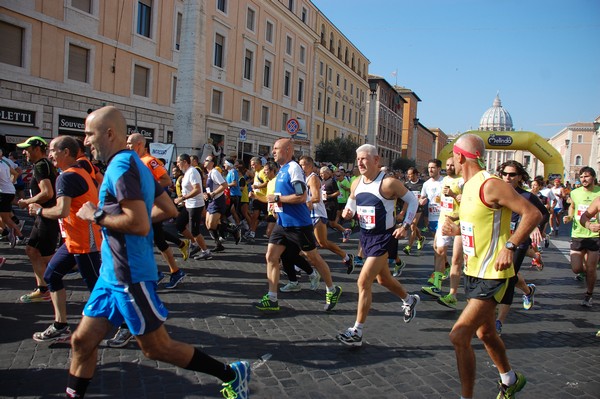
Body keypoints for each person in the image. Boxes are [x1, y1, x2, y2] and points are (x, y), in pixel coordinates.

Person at [66, 105, 250, 399]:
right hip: (110, 275)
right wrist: (124, 217)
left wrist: (98, 216)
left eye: (89, 134)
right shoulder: (135, 163)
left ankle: (231, 373)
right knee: (81, 343)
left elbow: (138, 224)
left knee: (156, 348)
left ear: (109, 133)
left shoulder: (122, 167)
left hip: (129, 275)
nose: (85, 141)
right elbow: (166, 209)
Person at [441, 134, 541, 399]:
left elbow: (533, 214)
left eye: (453, 154)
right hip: (473, 272)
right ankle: (510, 379)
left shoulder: (490, 185)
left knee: (459, 335)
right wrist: (455, 230)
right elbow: (476, 223)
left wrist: (510, 247)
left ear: (460, 156)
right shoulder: (468, 187)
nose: (450, 159)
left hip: (494, 275)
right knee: (485, 333)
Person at [336, 144, 420, 347]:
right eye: (357, 159)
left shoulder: (389, 183)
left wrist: (406, 225)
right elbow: (351, 204)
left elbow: (413, 201)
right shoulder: (356, 183)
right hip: (366, 237)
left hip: (384, 237)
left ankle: (357, 331)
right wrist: (347, 213)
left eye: (364, 158)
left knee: (363, 281)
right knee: (383, 279)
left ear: (376, 160)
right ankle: (409, 300)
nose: (360, 163)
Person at [28, 136, 102, 342]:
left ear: (66, 152)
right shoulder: (77, 170)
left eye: (53, 149)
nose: (49, 154)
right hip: (72, 241)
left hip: (85, 241)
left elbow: (62, 211)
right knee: (51, 276)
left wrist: (40, 211)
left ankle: (127, 324)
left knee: (98, 288)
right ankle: (60, 324)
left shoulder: (68, 176)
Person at [254, 138, 342, 312]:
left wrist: (278, 199)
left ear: (288, 150)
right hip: (282, 223)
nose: (273, 151)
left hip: (299, 224)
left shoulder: (294, 168)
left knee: (314, 258)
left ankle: (332, 289)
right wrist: (274, 203)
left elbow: (301, 197)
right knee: (271, 256)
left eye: (276, 148)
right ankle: (272, 298)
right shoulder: (281, 170)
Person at [495, 161, 549, 335]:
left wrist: (535, 228)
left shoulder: (527, 197)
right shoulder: (495, 193)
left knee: (508, 279)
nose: (508, 178)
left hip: (518, 243)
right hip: (498, 241)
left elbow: (543, 213)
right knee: (505, 275)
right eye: (505, 174)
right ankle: (528, 290)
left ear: (520, 177)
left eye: (512, 175)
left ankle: (498, 322)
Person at [127, 132, 187, 289]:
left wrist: (146, 190)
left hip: (153, 208)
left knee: (151, 240)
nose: (127, 146)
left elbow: (166, 180)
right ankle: (166, 272)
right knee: (155, 240)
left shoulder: (149, 161)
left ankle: (168, 272)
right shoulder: (138, 161)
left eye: (129, 143)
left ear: (139, 144)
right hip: (146, 208)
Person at [17, 136, 59, 303]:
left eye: (27, 148)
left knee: (47, 257)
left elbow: (47, 192)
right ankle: (43, 288)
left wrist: (27, 202)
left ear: (36, 148)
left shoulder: (41, 166)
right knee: (32, 250)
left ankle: (53, 286)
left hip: (47, 216)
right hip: (44, 216)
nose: (24, 152)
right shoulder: (42, 165)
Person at [299, 156, 355, 275]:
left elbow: (316, 198)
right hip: (308, 214)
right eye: (300, 164)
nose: (301, 167)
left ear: (310, 165)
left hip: (317, 213)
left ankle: (347, 257)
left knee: (322, 243)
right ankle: (297, 265)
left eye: (303, 164)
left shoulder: (313, 178)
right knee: (304, 241)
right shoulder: (304, 178)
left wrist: (300, 201)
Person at [564, 166, 600, 307]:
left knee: (591, 268)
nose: (584, 179)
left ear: (593, 177)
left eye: (586, 176)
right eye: (582, 177)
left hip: (594, 236)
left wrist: (593, 227)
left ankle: (588, 295)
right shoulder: (575, 193)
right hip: (578, 233)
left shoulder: (598, 194)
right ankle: (588, 274)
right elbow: (573, 206)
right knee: (576, 268)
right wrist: (570, 216)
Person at [434, 157, 464, 309]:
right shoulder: (444, 179)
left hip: (459, 223)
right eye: (448, 164)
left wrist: (452, 194)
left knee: (456, 259)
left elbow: (468, 202)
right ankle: (436, 285)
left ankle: (453, 294)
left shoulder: (463, 180)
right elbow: (443, 202)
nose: (450, 167)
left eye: (452, 164)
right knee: (439, 251)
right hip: (443, 220)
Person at [174, 154, 213, 261]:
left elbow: (197, 189)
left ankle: (206, 251)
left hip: (195, 205)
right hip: (188, 204)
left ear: (185, 162)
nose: (177, 164)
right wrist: (184, 200)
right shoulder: (186, 173)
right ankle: (195, 243)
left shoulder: (192, 172)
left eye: (178, 162)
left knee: (195, 231)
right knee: (179, 224)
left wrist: (182, 198)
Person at [419, 159, 446, 296]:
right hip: (433, 218)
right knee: (438, 249)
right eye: (429, 168)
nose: (430, 170)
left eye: (433, 168)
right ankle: (443, 269)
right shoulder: (426, 184)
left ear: (439, 169)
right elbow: (422, 198)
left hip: (444, 218)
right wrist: (422, 201)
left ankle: (437, 279)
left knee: (438, 249)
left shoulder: (445, 182)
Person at [0, 147, 26, 248]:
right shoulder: (4, 163)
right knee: (5, 215)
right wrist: (10, 183)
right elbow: (16, 173)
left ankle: (19, 235)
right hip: (9, 191)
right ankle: (7, 232)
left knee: (5, 218)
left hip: (4, 192)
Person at [203, 155, 228, 252]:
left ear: (212, 163)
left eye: (207, 160)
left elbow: (224, 185)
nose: (204, 161)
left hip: (218, 200)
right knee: (208, 225)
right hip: (211, 200)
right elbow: (210, 188)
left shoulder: (214, 172)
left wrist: (213, 193)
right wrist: (206, 194)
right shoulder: (209, 173)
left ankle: (232, 230)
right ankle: (219, 244)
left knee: (211, 224)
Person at [319, 166, 350, 242]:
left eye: (322, 173)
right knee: (330, 223)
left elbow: (338, 192)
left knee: (326, 222)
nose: (321, 175)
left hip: (331, 205)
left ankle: (322, 239)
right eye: (320, 174)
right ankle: (345, 231)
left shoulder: (332, 181)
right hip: (324, 204)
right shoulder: (322, 181)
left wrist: (329, 196)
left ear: (328, 173)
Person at [401, 167, 426, 255]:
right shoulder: (406, 185)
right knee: (413, 226)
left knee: (413, 226)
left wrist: (424, 199)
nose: (409, 176)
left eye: (410, 174)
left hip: (419, 208)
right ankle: (420, 238)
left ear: (415, 174)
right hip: (410, 208)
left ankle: (409, 247)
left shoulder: (423, 184)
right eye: (408, 174)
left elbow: (426, 195)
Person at [246, 156, 269, 242]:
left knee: (269, 217)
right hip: (256, 197)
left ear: (258, 164)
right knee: (254, 216)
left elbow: (267, 182)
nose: (251, 166)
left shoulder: (263, 171)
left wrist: (257, 186)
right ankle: (252, 233)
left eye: (253, 165)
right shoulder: (256, 172)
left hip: (264, 198)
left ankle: (275, 231)